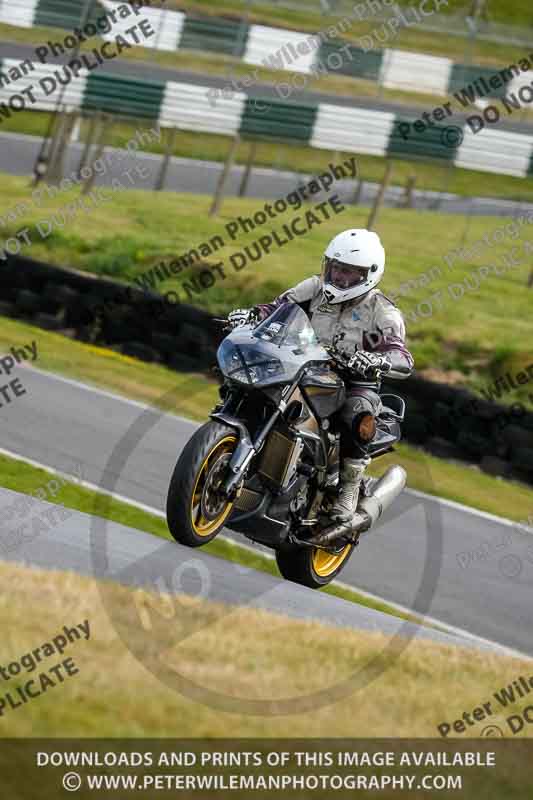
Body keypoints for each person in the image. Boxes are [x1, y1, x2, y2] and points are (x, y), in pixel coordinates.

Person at [228, 228, 414, 525]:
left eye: (348, 272)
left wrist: (377, 360)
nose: (338, 276)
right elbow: (276, 309)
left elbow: (402, 357)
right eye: (335, 267)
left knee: (356, 411)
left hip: (354, 381)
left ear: (368, 274)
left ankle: (349, 487)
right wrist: (252, 315)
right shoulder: (313, 288)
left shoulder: (383, 311)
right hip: (305, 366)